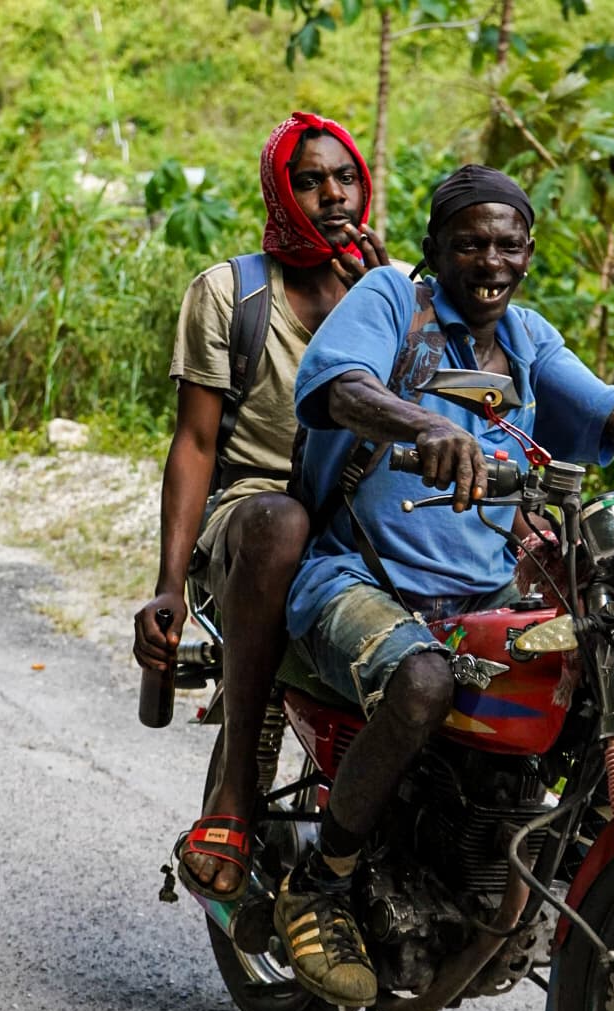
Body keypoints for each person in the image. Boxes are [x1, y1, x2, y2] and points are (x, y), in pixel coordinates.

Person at [273, 164, 614, 1008]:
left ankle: (531, 864)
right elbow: (338, 388)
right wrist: (428, 421)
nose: (491, 260)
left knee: (608, 678)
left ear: (527, 251)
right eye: (471, 242)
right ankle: (324, 876)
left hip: (486, 595)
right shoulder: (387, 300)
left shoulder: (525, 338)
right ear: (436, 249)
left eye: (508, 243)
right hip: (357, 577)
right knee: (422, 680)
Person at [132, 111, 391, 903]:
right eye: (308, 181)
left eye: (344, 177)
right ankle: (238, 780)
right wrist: (169, 586)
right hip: (254, 508)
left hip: (365, 513)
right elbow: (196, 444)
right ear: (280, 191)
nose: (332, 196)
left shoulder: (397, 287)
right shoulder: (230, 292)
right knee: (284, 520)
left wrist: (393, 299)